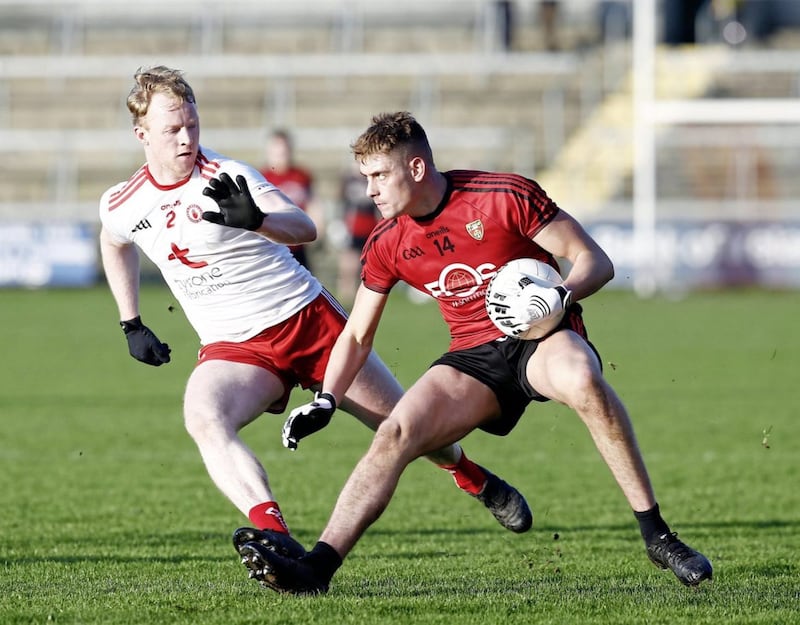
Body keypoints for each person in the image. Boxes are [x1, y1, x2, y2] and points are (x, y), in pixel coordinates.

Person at [238, 111, 714, 595]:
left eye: (380, 175)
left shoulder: (502, 196)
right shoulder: (386, 241)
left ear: (417, 169)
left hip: (542, 339)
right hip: (473, 357)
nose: (371, 190)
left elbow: (595, 259)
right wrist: (327, 400)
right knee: (394, 433)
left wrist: (561, 297)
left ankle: (657, 534)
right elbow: (358, 335)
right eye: (366, 178)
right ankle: (316, 570)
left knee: (582, 379)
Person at [98, 68, 533, 571]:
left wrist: (257, 220)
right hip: (235, 348)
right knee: (203, 417)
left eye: (192, 124)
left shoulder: (226, 176)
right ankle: (275, 533)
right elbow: (114, 241)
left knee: (403, 429)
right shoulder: (123, 201)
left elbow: (304, 228)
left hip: (309, 323)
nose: (187, 137)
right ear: (142, 134)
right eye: (173, 129)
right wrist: (131, 321)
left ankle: (471, 475)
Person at [259, 128, 320, 272]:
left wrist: (317, 224)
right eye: (277, 150)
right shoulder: (261, 176)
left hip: (298, 241)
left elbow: (312, 202)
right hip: (273, 244)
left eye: (284, 150)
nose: (281, 155)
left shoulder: (301, 175)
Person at [335, 161, 381, 305]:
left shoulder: (371, 180)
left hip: (369, 226)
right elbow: (341, 202)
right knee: (349, 263)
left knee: (364, 265)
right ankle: (345, 293)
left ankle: (359, 294)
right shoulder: (348, 180)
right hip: (352, 227)